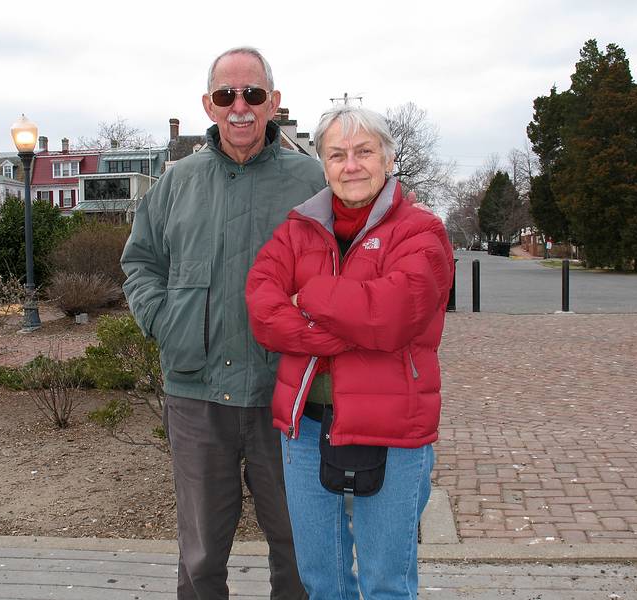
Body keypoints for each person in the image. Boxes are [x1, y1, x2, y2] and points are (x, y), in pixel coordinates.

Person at [121, 47, 325, 600]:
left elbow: (346, 266)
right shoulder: (176, 182)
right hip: (196, 393)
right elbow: (139, 261)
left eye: (252, 94)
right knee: (202, 554)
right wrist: (165, 322)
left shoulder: (313, 181)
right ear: (208, 105)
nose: (240, 106)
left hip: (287, 394)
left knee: (299, 547)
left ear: (274, 104)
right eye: (226, 95)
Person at [245, 105, 455, 599]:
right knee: (322, 581)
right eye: (337, 154)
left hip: (394, 431)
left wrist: (312, 297)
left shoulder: (422, 231)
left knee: (386, 582)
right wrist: (350, 328)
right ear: (323, 163)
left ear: (388, 158)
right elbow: (262, 309)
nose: (351, 165)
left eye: (364, 151)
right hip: (307, 426)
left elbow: (394, 315)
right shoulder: (299, 228)